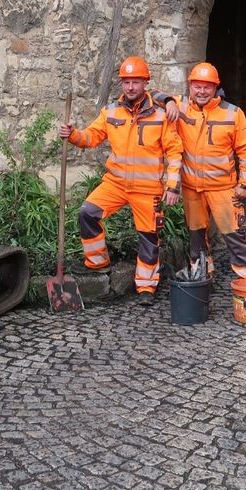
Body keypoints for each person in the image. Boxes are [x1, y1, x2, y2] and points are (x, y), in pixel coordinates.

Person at [58, 56, 183, 305]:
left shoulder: (161, 115)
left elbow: (174, 152)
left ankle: (146, 287)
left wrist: (172, 186)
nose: (130, 87)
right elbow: (91, 137)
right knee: (87, 213)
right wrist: (72, 135)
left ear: (146, 83)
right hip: (115, 183)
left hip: (147, 189)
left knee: (149, 237)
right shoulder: (111, 111)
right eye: (126, 82)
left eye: (136, 82)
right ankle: (97, 262)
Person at [172, 62, 246, 280]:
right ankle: (202, 277)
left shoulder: (233, 113)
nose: (202, 91)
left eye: (207, 87)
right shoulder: (180, 107)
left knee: (236, 236)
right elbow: (148, 95)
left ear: (215, 88)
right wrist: (167, 101)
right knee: (196, 237)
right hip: (192, 188)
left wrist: (244, 184)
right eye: (197, 86)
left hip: (224, 189)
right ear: (190, 86)